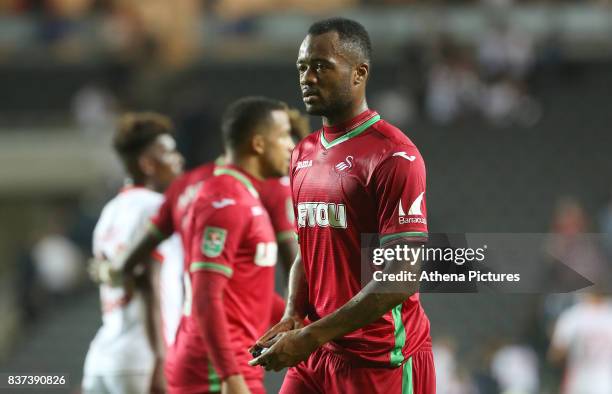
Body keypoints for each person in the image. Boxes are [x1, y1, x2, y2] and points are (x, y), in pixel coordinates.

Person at [250, 18, 435, 393]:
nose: (308, 78)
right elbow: (309, 250)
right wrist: (292, 316)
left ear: (359, 73)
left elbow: (402, 278)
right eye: (302, 67)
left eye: (321, 67)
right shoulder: (302, 152)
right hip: (317, 353)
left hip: (381, 361)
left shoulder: (393, 156)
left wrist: (312, 335)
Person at [166, 96, 294, 393]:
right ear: (259, 144)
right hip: (213, 370)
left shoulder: (244, 195)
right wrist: (228, 376)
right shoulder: (225, 201)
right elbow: (205, 296)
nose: (291, 145)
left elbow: (251, 294)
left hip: (233, 362)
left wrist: (301, 324)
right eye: (284, 135)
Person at [83, 112, 184, 394]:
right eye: (170, 152)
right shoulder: (154, 208)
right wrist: (161, 359)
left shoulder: (109, 211)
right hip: (142, 357)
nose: (179, 160)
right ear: (148, 164)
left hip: (104, 356)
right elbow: (149, 280)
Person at [549, 292, 612, 394]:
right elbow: (555, 355)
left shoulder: (573, 316)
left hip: (587, 382)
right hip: (591, 382)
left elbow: (554, 355)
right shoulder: (573, 316)